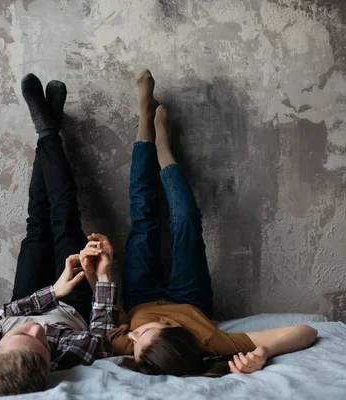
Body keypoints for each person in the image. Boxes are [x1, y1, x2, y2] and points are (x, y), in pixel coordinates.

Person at [108, 69, 318, 377]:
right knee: (187, 221)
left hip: (141, 296)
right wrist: (263, 353)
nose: (133, 335)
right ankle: (164, 148)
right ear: (172, 330)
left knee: (144, 218)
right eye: (144, 335)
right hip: (190, 301)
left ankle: (145, 118)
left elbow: (116, 319)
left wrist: (97, 273)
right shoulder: (211, 341)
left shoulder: (130, 345)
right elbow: (307, 331)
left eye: (135, 342)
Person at [0, 73, 118, 396]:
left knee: (37, 226)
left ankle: (47, 130)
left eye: (25, 337)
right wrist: (104, 277)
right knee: (64, 218)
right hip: (73, 305)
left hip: (28, 298)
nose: (38, 331)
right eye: (45, 346)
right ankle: (48, 128)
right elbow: (102, 335)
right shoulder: (67, 355)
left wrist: (51, 291)